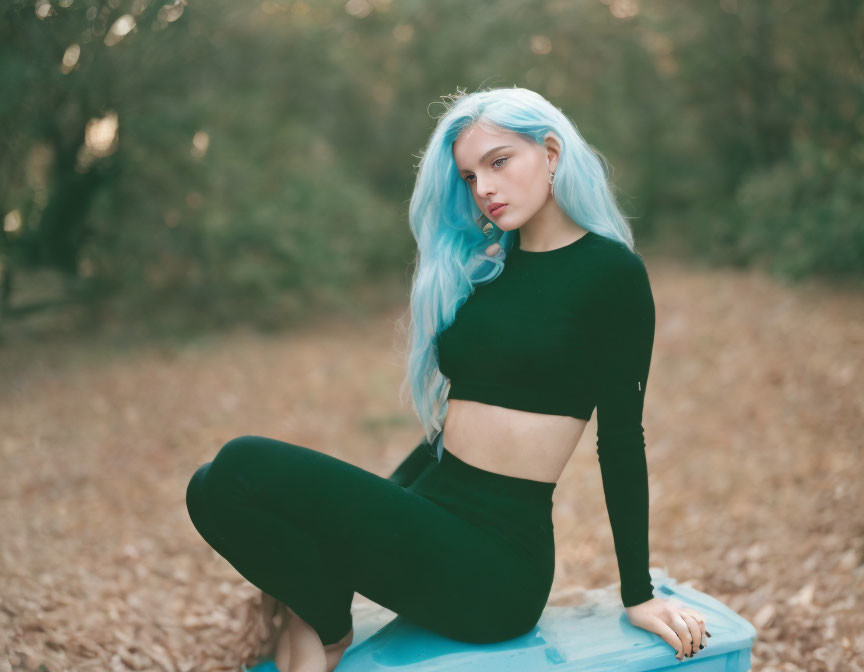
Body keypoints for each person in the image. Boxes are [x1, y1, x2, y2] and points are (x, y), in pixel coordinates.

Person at [185, 86, 710, 672]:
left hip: (496, 566)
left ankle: (325, 624)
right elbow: (448, 431)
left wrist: (637, 592)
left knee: (241, 462)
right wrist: (357, 522)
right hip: (432, 519)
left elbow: (619, 438)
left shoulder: (612, 274)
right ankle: (318, 607)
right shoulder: (487, 269)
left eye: (499, 161)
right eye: (468, 176)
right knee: (208, 489)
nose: (483, 187)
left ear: (552, 153)